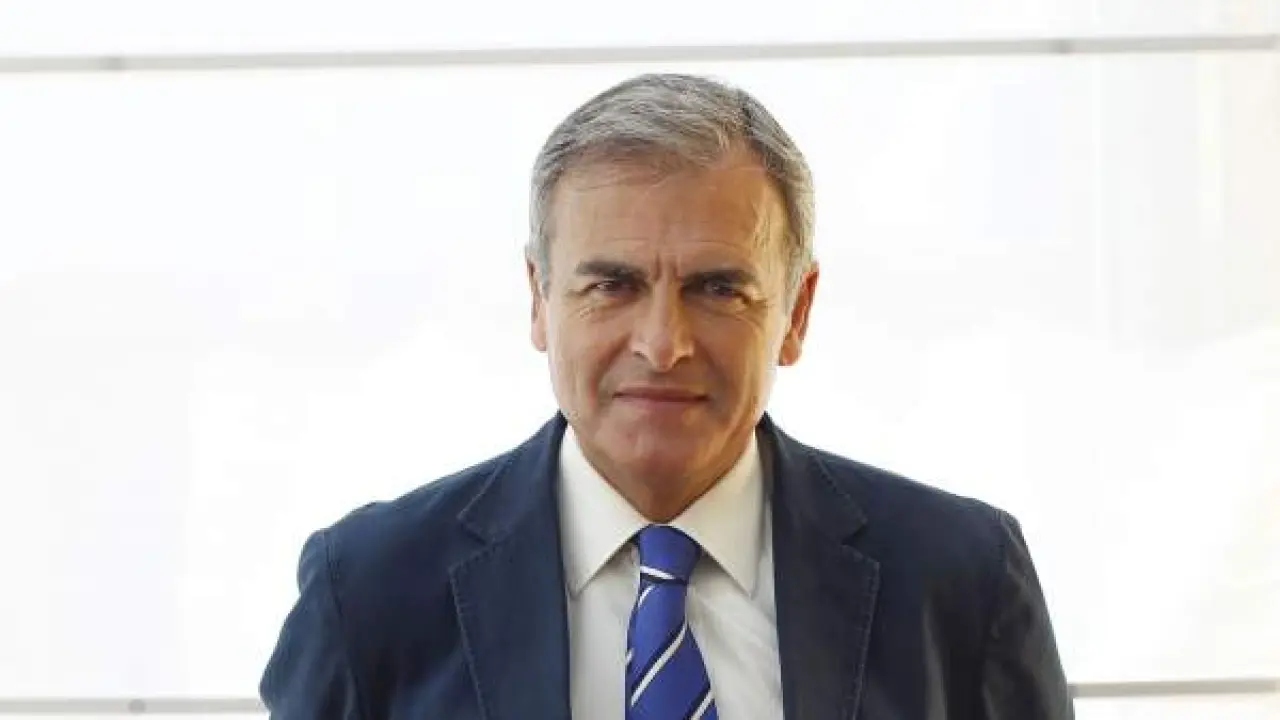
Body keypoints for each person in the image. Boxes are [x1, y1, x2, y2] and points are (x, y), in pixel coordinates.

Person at [259, 73, 1074, 719]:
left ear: (796, 313)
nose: (662, 343)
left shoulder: (959, 580)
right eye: (612, 285)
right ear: (539, 300)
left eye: (717, 288)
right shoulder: (368, 591)